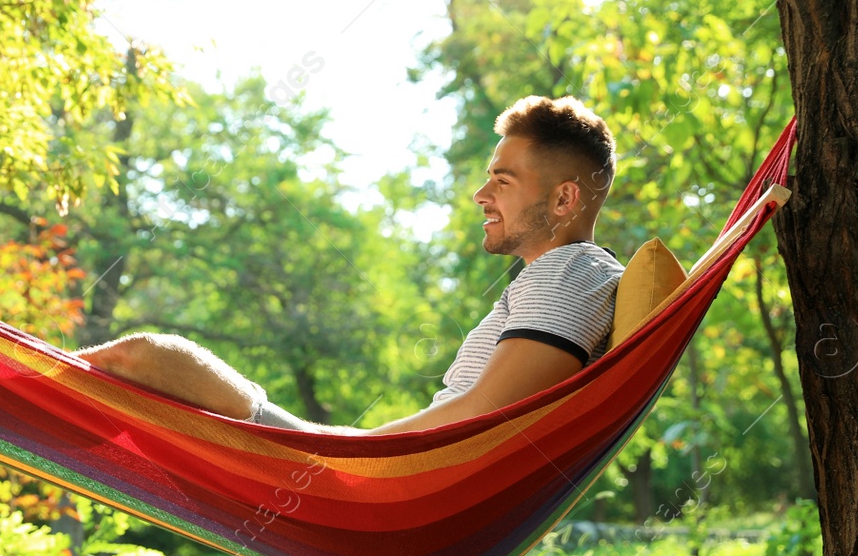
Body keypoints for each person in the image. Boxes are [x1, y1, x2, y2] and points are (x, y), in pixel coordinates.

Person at [76, 95, 624, 434]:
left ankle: (5, 387)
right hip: (378, 472)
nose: (481, 195)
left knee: (140, 358)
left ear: (564, 200)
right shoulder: (557, 277)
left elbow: (489, 410)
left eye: (502, 180)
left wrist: (362, 452)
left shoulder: (572, 271)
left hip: (379, 480)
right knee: (141, 374)